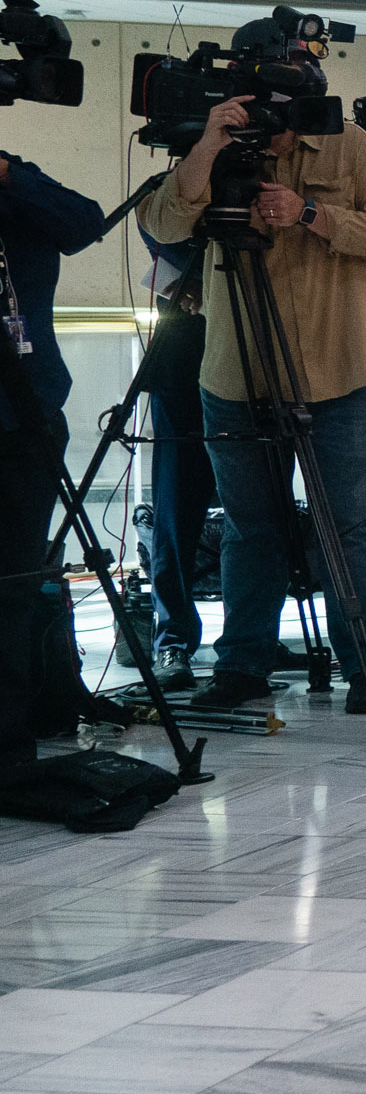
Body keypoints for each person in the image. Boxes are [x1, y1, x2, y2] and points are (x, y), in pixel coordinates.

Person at [144, 89, 366, 718]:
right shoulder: (213, 147)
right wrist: (209, 143)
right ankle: (242, 664)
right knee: (248, 529)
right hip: (236, 375)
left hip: (339, 372)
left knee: (345, 528)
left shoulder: (352, 146)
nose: (272, 133)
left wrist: (312, 213)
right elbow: (163, 225)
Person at [0, 150, 109, 753]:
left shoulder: (15, 182)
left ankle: (10, 739)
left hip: (24, 416)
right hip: (24, 414)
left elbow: (85, 223)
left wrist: (9, 176)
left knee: (15, 584)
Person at [135, 232, 213, 692]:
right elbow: (153, 222)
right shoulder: (177, 193)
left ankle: (251, 638)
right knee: (174, 515)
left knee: (262, 513)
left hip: (259, 362)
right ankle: (174, 640)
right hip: (184, 362)